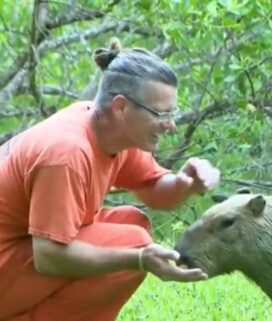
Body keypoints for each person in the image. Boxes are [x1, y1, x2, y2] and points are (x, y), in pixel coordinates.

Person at [0, 39, 220, 321]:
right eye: (161, 114)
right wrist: (138, 259)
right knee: (133, 241)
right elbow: (49, 255)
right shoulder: (66, 153)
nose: (171, 125)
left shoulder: (113, 134)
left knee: (133, 223)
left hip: (16, 257)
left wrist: (186, 184)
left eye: (172, 113)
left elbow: (152, 189)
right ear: (121, 107)